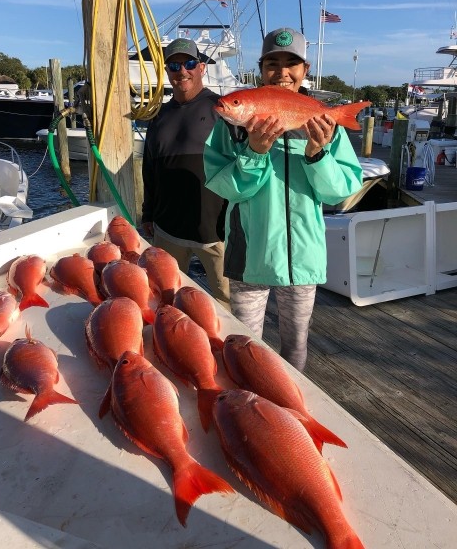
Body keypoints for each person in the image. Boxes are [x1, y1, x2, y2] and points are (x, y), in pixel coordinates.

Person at [203, 27, 363, 370]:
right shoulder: (231, 127)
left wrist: (318, 154)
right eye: (272, 63)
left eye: (292, 63)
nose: (282, 71)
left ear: (305, 70)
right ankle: (251, 406)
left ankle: (291, 411)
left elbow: (341, 191)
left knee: (295, 345)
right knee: (246, 345)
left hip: (303, 258)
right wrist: (255, 152)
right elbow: (224, 187)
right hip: (250, 258)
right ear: (261, 69)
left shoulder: (323, 122)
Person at [141, 38, 230, 309]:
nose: (182, 71)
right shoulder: (159, 116)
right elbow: (149, 168)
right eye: (174, 66)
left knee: (226, 304)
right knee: (167, 298)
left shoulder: (223, 108)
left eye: (189, 63)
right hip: (168, 230)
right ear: (167, 71)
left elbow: (245, 164)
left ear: (201, 67)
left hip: (215, 232)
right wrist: (148, 212)